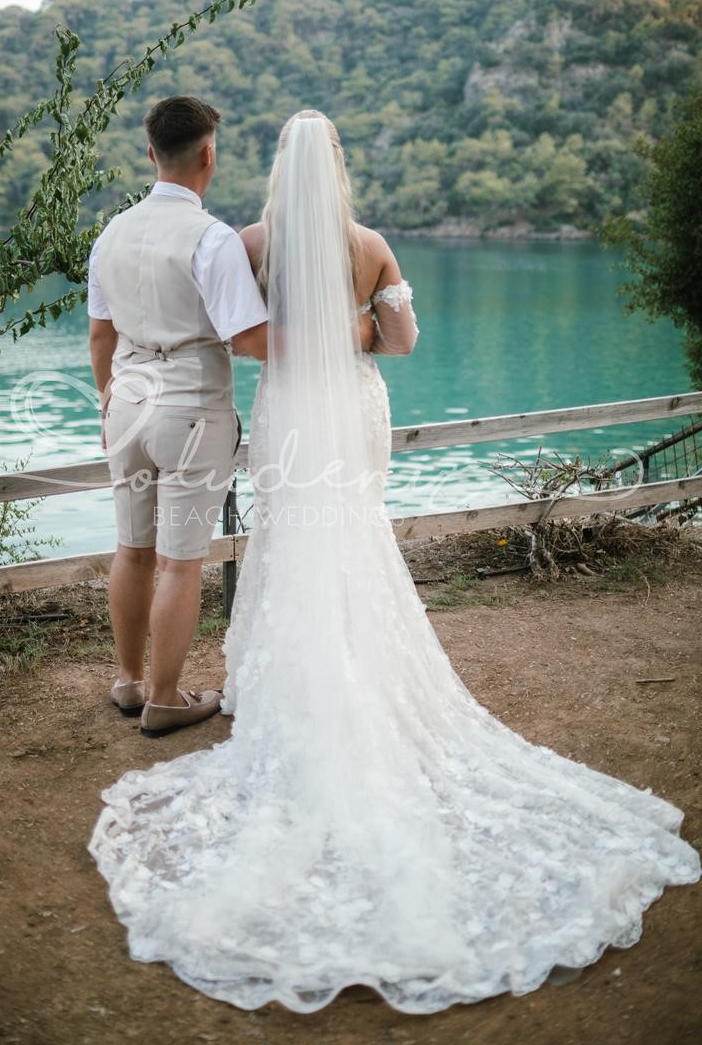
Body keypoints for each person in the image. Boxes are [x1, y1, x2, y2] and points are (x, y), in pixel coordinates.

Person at [89, 110, 700, 1015]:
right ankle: (353, 668)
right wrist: (354, 333)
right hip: (349, 410)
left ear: (276, 170)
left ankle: (256, 678)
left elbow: (234, 332)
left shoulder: (245, 243)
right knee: (351, 532)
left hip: (283, 411)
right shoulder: (369, 245)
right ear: (337, 168)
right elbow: (403, 342)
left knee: (286, 534)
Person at [87, 95, 268, 737]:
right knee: (181, 561)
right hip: (190, 411)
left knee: (133, 548)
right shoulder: (212, 238)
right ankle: (164, 698)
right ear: (208, 155)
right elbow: (249, 339)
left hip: (126, 405)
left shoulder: (110, 233)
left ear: (150, 153)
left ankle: (129, 681)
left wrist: (109, 401)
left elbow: (100, 336)